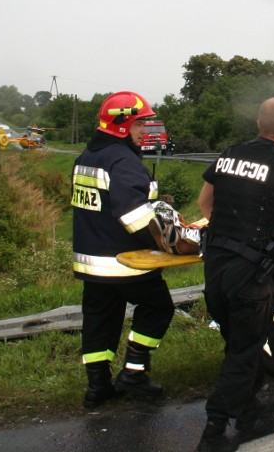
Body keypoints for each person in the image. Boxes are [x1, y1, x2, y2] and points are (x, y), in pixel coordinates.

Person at [195, 97, 274, 452]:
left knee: (240, 340)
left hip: (215, 265)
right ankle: (213, 432)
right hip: (251, 274)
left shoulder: (229, 154)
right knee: (244, 351)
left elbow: (204, 204)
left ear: (259, 122)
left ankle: (250, 406)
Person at [71, 91, 176, 409]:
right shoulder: (123, 160)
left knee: (100, 320)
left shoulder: (87, 156)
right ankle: (134, 371)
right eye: (140, 123)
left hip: (92, 262)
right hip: (124, 261)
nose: (146, 130)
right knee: (159, 308)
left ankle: (97, 388)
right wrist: (169, 241)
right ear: (121, 124)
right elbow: (133, 216)